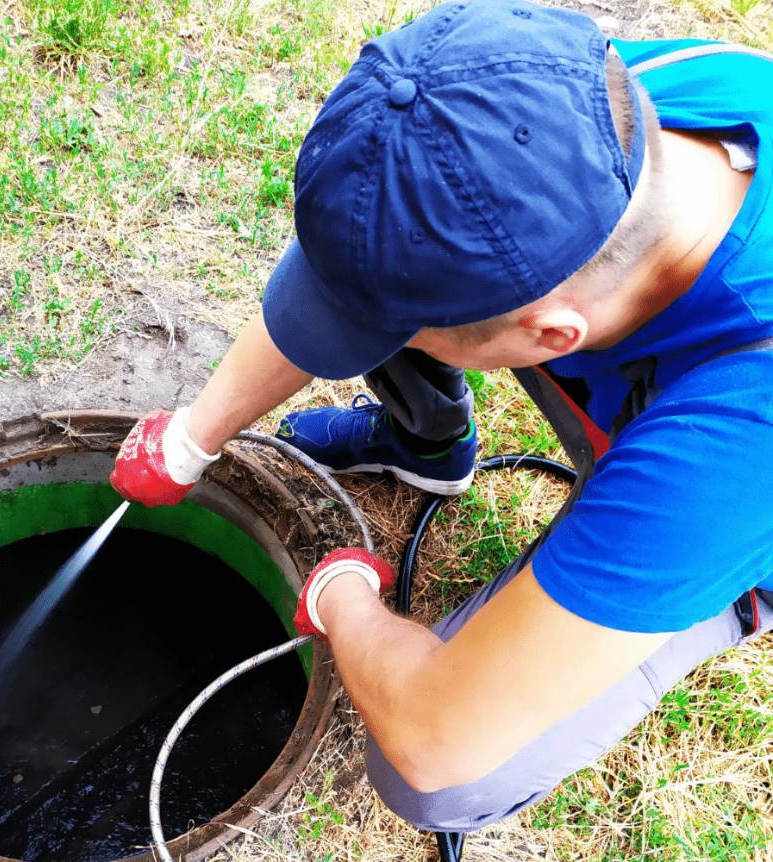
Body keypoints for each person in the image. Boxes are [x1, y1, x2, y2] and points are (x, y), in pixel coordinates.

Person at [110, 0, 773, 836]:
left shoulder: (735, 437)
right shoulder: (566, 107)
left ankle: (726, 597)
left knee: (436, 786)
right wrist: (191, 437)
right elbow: (368, 247)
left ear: (550, 335)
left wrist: (343, 595)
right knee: (393, 269)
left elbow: (435, 741)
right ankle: (427, 445)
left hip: (732, 497)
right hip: (651, 390)